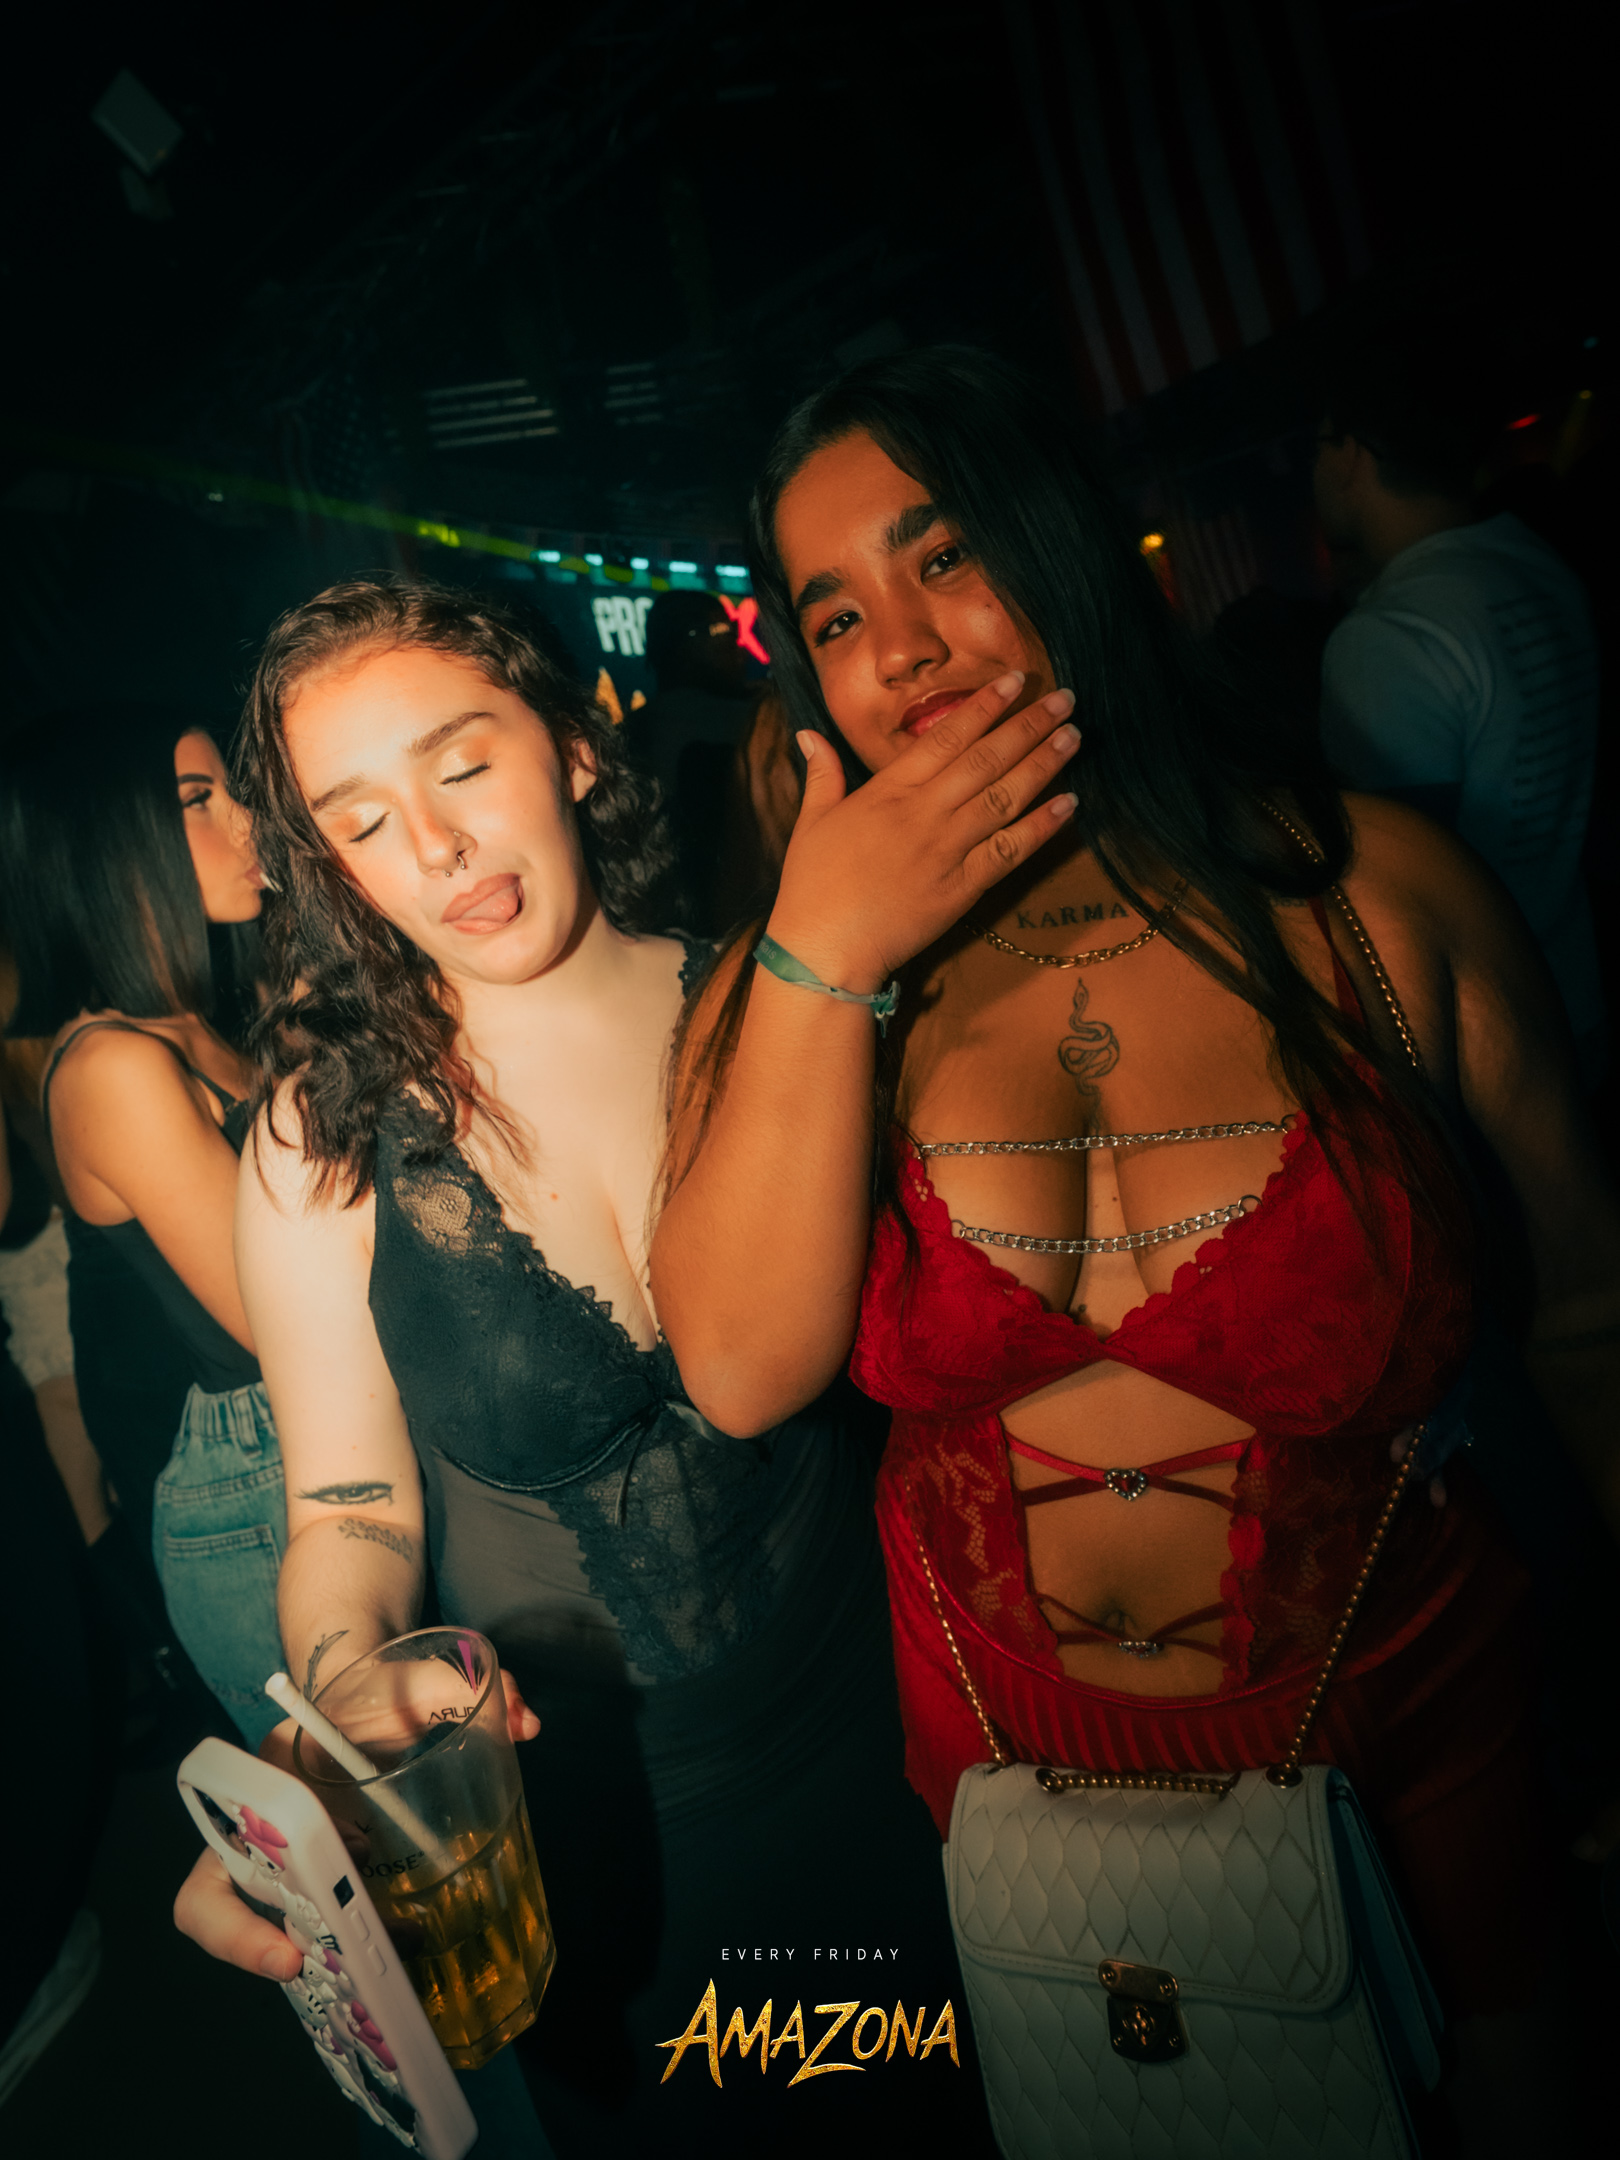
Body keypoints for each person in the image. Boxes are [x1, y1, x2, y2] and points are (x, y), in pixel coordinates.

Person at [650, 348, 1620, 2141]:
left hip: (1407, 1717)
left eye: (946, 555)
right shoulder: (790, 992)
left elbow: (1589, 1307)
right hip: (1015, 1761)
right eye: (836, 613)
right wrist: (822, 952)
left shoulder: (1375, 894)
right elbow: (739, 1374)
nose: (903, 648)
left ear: (1065, 541)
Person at [172, 579, 995, 2158]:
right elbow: (346, 1506)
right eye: (363, 822)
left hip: (894, 1747)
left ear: (574, 744)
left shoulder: (783, 999)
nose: (435, 845)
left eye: (462, 765)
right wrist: (348, 1685)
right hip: (606, 1844)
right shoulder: (320, 1140)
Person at [0, 706, 287, 1748]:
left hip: (309, 1448)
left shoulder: (211, 1016)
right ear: (107, 843)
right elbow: (273, 1323)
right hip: (259, 1494)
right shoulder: (113, 1066)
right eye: (199, 800)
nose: (248, 821)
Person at [1314, 337, 1605, 1076]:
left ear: (1350, 455)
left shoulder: (1388, 635)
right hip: (1583, 987)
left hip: (1497, 1036)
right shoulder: (1542, 568)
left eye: (1316, 447)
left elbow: (1401, 889)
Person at [625, 590, 757, 931]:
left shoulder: (628, 734)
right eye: (720, 630)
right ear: (681, 644)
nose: (737, 642)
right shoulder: (755, 722)